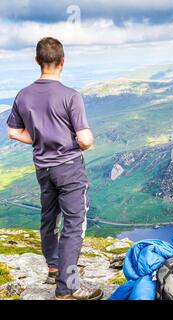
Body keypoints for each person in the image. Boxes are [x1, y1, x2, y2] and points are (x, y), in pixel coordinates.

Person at [6, 37, 103, 300]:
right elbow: (85, 139)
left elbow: (13, 132)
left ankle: (53, 267)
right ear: (62, 61)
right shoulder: (71, 96)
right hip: (69, 167)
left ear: (37, 60)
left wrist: (39, 138)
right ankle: (68, 288)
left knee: (48, 219)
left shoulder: (23, 95)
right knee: (74, 224)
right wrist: (77, 143)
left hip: (43, 170)